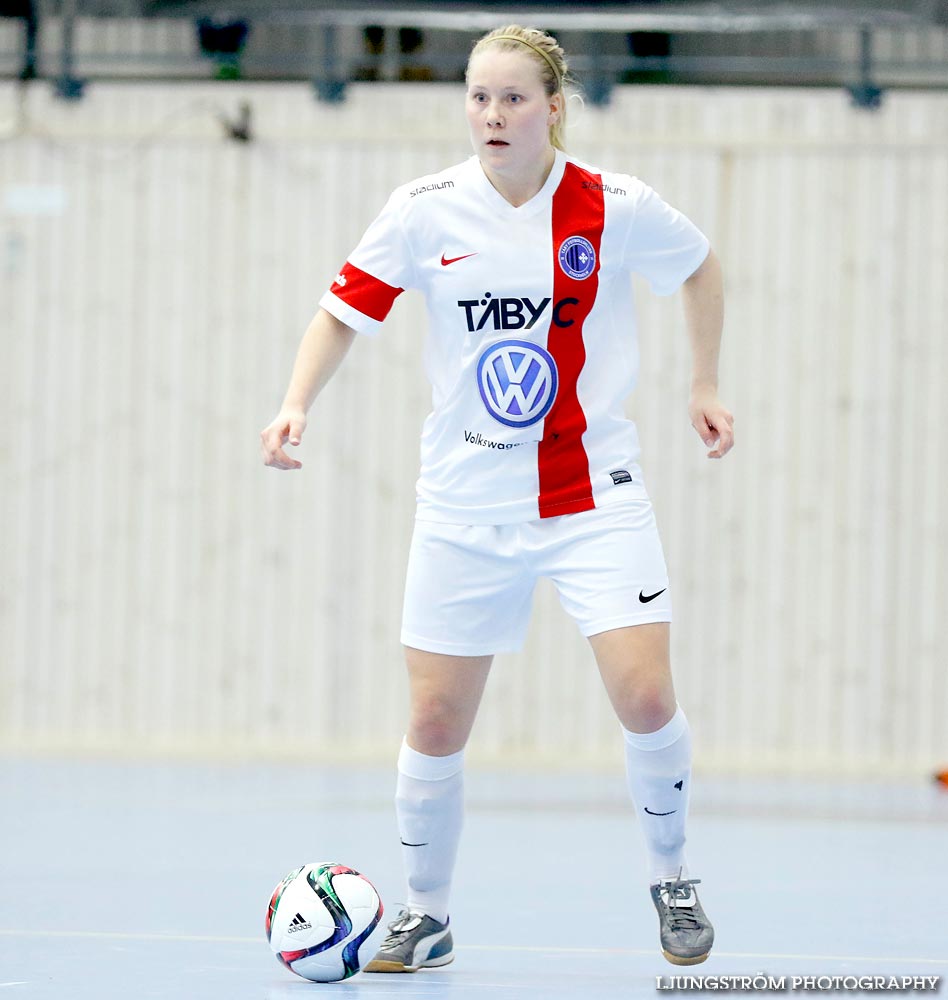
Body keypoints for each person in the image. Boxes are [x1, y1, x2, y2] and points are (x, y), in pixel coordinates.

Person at [261, 24, 734, 972]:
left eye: (513, 97)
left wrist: (704, 383)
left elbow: (701, 267)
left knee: (645, 696)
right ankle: (426, 915)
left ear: (554, 107)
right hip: (465, 506)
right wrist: (293, 404)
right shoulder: (423, 210)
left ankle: (673, 877)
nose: (492, 114)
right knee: (435, 722)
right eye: (478, 97)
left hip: (593, 492)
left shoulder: (614, 204)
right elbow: (341, 310)